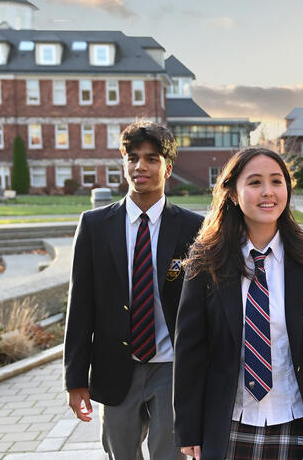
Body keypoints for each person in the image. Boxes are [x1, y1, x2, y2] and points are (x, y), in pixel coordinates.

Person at [173, 147, 303, 460]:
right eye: (255, 182)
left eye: (277, 181)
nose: (268, 192)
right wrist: (188, 428)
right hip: (230, 424)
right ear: (232, 194)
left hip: (297, 418)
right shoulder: (206, 262)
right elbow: (190, 351)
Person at [63, 121, 203, 460]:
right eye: (133, 158)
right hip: (116, 364)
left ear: (167, 168)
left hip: (171, 365)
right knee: (120, 452)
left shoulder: (193, 227)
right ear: (124, 163)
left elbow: (204, 307)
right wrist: (75, 378)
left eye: (152, 158)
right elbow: (80, 304)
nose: (141, 166)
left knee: (169, 453)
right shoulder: (94, 226)